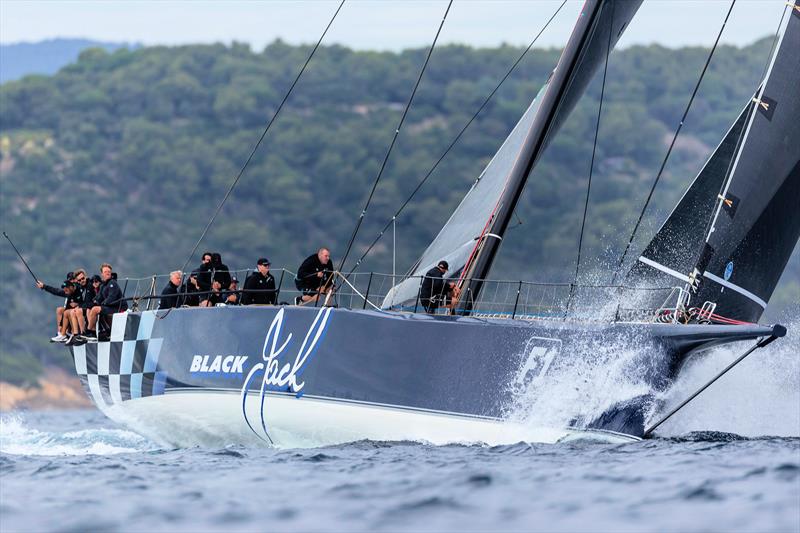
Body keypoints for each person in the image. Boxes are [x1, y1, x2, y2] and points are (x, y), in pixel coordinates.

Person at [86, 263, 128, 341]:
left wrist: (100, 305)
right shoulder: (103, 285)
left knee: (96, 309)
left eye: (109, 271)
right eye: (105, 272)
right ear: (102, 274)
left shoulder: (113, 283)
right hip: (110, 307)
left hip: (118, 307)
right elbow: (98, 298)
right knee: (90, 309)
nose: (108, 273)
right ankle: (106, 331)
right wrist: (92, 303)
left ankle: (90, 331)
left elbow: (111, 298)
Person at [36, 272, 80, 342]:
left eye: (73, 279)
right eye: (70, 280)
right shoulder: (69, 289)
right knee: (60, 310)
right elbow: (57, 291)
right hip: (70, 316)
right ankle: (60, 333)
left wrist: (77, 304)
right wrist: (44, 286)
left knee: (67, 312)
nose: (72, 281)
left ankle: (67, 333)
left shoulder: (79, 288)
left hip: (78, 315)